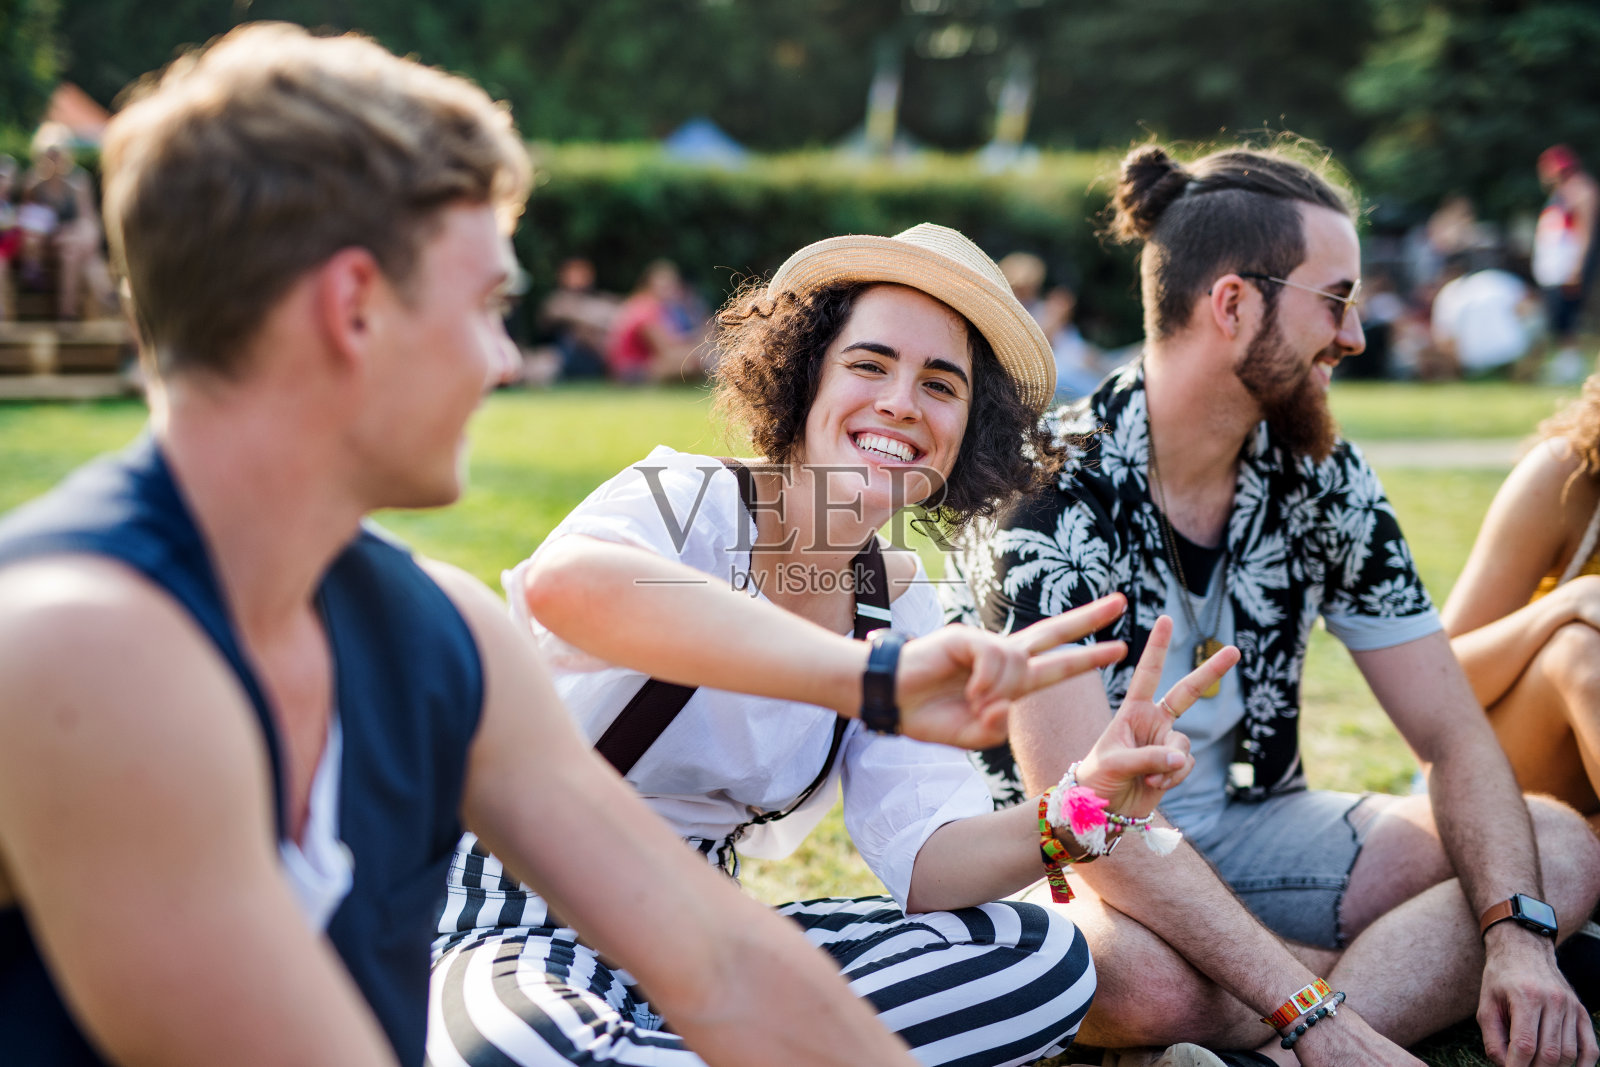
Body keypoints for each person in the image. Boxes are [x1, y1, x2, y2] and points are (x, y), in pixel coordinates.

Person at [0, 28, 1104, 1067]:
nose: (507, 361)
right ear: (353, 307)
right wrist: (866, 678)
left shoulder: (440, 629)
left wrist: (1083, 806)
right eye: (489, 305)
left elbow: (714, 955)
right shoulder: (82, 644)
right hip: (523, 974)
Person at [428, 223, 1237, 1067]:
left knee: (1039, 956)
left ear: (968, 429)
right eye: (869, 364)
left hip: (708, 935)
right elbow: (569, 587)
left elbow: (931, 862)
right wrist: (868, 678)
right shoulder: (690, 502)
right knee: (518, 1050)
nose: (900, 403)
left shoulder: (892, 599)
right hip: (526, 910)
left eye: (940, 384)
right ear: (803, 373)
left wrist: (1080, 808)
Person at [949, 142, 1600, 1067]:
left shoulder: (1323, 475)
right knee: (1130, 975)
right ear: (1233, 303)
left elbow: (1455, 736)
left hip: (1261, 833)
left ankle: (1256, 1050)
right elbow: (1088, 822)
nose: (1357, 336)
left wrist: (1517, 940)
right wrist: (1316, 1006)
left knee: (1554, 847)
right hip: (1063, 864)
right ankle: (1335, 1015)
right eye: (1336, 300)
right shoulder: (1047, 490)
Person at [1444, 374, 1600, 825]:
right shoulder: (1566, 474)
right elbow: (1440, 683)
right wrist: (1572, 601)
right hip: (1514, 764)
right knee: (1579, 652)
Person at [20, 122, 114, 320]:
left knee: (72, 253)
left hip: (72, 243)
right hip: (44, 245)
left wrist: (68, 232)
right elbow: (27, 221)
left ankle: (68, 313)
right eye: (49, 153)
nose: (53, 159)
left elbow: (88, 221)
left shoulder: (78, 182)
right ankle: (77, 310)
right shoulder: (34, 183)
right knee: (84, 259)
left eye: (57, 153)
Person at [1533, 145, 1599, 384]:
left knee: (1569, 317)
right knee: (1557, 318)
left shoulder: (1580, 189)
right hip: (1553, 268)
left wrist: (1578, 265)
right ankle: (1564, 364)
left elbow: (1585, 231)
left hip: (1568, 265)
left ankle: (1572, 367)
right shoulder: (1558, 195)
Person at [605, 259, 708, 382]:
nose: (669, 291)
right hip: (630, 370)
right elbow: (665, 350)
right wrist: (701, 349)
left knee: (695, 359)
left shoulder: (648, 305)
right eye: (664, 286)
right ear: (649, 285)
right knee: (690, 365)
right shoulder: (645, 309)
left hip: (636, 366)